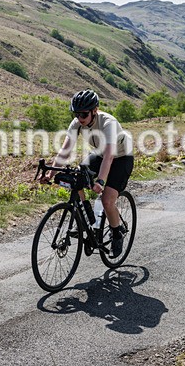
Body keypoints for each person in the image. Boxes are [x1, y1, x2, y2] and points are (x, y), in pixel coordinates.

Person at [41, 89, 134, 257]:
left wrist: (101, 181)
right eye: (76, 114)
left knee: (107, 200)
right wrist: (50, 174)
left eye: (83, 114)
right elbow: (64, 151)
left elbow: (109, 157)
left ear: (95, 110)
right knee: (76, 177)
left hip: (121, 158)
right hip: (99, 154)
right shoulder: (77, 123)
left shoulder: (108, 123)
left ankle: (117, 232)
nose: (79, 118)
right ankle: (84, 219)